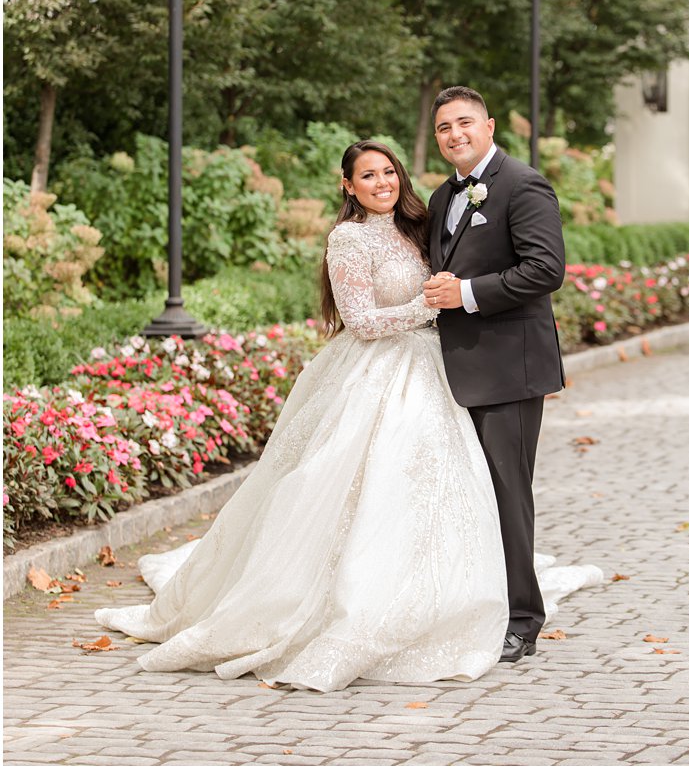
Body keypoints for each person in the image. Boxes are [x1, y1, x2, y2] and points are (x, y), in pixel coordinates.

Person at [95, 140, 597, 690]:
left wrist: (457, 301)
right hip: (376, 373)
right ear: (348, 186)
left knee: (443, 489)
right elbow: (359, 320)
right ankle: (347, 603)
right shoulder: (347, 238)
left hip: (438, 370)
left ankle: (461, 595)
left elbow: (494, 267)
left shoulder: (419, 223)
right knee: (354, 485)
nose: (381, 182)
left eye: (387, 171)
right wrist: (430, 304)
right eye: (367, 175)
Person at [421, 86, 568, 664]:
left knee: (508, 494)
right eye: (443, 129)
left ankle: (523, 620)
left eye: (464, 123)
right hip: (453, 371)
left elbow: (545, 269)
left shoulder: (522, 184)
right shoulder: (441, 197)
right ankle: (475, 603)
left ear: (486, 126)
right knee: (465, 495)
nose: (454, 135)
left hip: (511, 368)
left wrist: (468, 294)